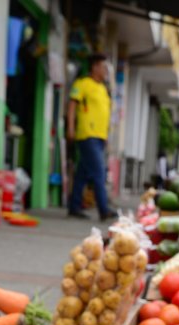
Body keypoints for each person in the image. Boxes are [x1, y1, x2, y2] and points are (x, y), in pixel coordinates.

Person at [66, 54, 113, 219]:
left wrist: (106, 136)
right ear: (94, 67)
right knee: (99, 172)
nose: (105, 70)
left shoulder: (103, 89)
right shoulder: (82, 84)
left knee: (82, 173)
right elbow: (72, 105)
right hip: (87, 134)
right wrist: (70, 127)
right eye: (103, 67)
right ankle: (103, 209)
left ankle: (74, 206)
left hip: (99, 137)